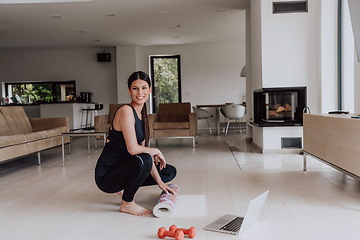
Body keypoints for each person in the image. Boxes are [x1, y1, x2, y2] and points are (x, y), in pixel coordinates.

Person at [95, 71, 177, 216]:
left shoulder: (142, 114)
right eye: (135, 88)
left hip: (125, 167)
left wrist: (160, 182)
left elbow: (143, 150)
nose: (140, 92)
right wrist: (156, 150)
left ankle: (124, 186)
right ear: (129, 90)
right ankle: (127, 203)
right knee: (144, 158)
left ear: (150, 90)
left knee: (168, 171)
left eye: (144, 88)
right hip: (107, 176)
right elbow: (133, 149)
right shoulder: (126, 111)